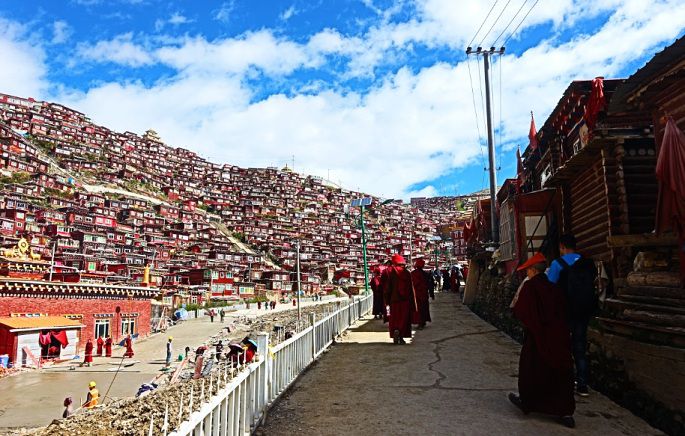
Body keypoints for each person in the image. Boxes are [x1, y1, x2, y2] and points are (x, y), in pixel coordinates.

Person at [509, 252, 576, 428]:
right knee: (560, 371)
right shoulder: (555, 288)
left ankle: (528, 402)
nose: (527, 274)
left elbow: (521, 310)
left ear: (532, 270)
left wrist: (531, 324)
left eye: (528, 270)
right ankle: (565, 411)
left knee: (532, 369)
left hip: (537, 336)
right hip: (558, 337)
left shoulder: (530, 287)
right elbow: (564, 311)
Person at [547, 234, 598, 397]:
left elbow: (549, 288)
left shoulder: (557, 264)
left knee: (562, 346)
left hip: (564, 311)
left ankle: (564, 381)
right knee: (580, 346)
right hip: (583, 311)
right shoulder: (588, 263)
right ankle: (582, 385)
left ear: (562, 247)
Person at [383, 254, 416, 344]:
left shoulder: (390, 273)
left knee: (394, 318)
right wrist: (413, 304)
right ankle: (401, 336)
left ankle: (395, 330)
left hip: (394, 301)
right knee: (404, 319)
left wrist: (386, 301)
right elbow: (411, 289)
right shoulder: (407, 273)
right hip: (405, 301)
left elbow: (387, 289)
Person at [411, 258, 434, 329]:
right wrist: (431, 294)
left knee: (418, 309)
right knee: (424, 308)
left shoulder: (413, 273)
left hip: (416, 294)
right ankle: (423, 322)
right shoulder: (425, 274)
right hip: (424, 294)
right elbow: (430, 284)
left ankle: (420, 323)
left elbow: (411, 284)